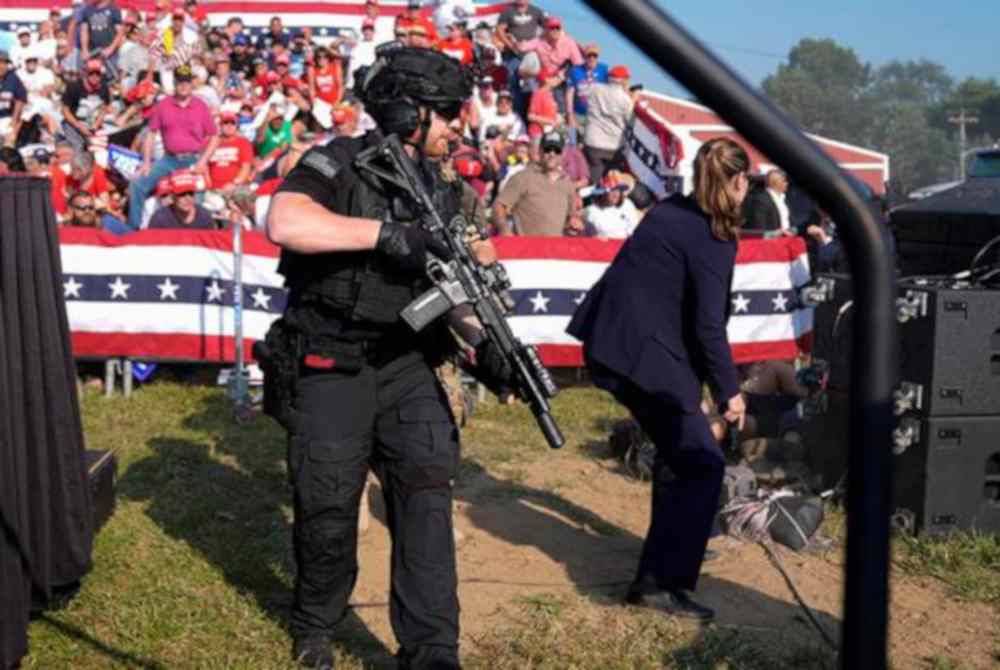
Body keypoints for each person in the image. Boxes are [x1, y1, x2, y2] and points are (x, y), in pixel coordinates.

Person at [264, 46, 511, 670]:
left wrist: (485, 343)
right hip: (331, 361)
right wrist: (381, 234)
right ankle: (317, 624)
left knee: (427, 494)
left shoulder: (443, 190)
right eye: (447, 113)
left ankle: (431, 649)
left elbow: (446, 295)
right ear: (409, 111)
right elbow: (285, 220)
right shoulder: (339, 161)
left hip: (407, 365)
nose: (458, 125)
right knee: (327, 503)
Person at [567, 137, 750, 622]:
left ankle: (674, 551)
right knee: (701, 462)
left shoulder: (673, 211)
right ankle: (658, 584)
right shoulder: (712, 236)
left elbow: (681, 311)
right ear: (739, 181)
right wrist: (729, 392)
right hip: (640, 355)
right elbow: (708, 325)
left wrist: (703, 388)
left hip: (619, 344)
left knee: (680, 453)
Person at [127, 64, 219, 231]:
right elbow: (150, 134)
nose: (183, 86)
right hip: (169, 159)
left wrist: (203, 161)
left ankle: (195, 239)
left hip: (193, 160)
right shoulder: (163, 105)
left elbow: (214, 136)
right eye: (180, 82)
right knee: (137, 185)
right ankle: (134, 230)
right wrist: (147, 162)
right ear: (174, 83)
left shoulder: (200, 106)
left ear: (192, 84)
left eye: (186, 82)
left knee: (195, 200)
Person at [493, 130, 580, 236]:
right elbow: (499, 205)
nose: (552, 154)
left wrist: (573, 225)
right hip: (527, 249)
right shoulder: (523, 177)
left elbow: (571, 219)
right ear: (540, 151)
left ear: (562, 154)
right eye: (547, 149)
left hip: (556, 250)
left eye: (557, 150)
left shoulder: (567, 185)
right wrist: (505, 229)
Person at [583, 64, 635, 183]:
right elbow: (630, 121)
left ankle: (590, 195)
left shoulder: (595, 88)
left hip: (593, 141)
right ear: (623, 80)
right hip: (613, 146)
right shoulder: (625, 99)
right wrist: (631, 96)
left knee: (593, 174)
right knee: (611, 178)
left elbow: (583, 94)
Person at [148, 171, 215, 229]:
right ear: (172, 196)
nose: (188, 198)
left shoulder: (204, 217)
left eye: (190, 193)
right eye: (182, 194)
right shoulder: (160, 218)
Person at [743, 168, 793, 236]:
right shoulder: (761, 200)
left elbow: (789, 221)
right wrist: (774, 234)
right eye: (784, 181)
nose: (787, 183)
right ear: (774, 182)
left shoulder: (783, 199)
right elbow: (759, 226)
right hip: (771, 242)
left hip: (787, 239)